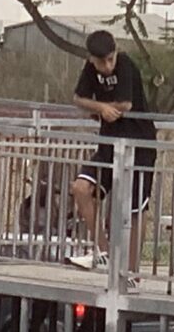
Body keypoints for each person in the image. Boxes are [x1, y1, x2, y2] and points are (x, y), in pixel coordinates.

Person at [65, 30, 154, 272]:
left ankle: (132, 271)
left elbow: (125, 104)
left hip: (139, 144)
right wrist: (100, 107)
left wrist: (104, 109)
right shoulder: (90, 68)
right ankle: (103, 251)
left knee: (134, 209)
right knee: (81, 189)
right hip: (109, 143)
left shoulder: (126, 65)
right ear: (91, 59)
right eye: (101, 61)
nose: (107, 66)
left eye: (110, 59)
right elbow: (78, 97)